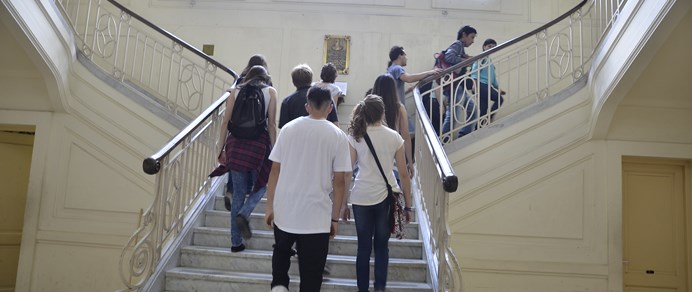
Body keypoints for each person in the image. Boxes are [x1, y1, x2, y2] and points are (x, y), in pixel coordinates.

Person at [265, 86, 351, 292]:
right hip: (317, 215)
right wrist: (334, 219)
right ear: (330, 108)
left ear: (307, 106)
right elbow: (340, 181)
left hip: (285, 208)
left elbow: (275, 170)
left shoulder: (288, 129)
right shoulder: (338, 136)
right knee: (312, 274)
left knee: (281, 253)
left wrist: (269, 206)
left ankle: (279, 287)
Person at [344, 95, 412, 292]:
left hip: (361, 196)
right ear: (383, 113)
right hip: (386, 197)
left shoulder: (356, 136)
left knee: (363, 248)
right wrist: (408, 205)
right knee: (382, 246)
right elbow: (404, 175)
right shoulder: (394, 137)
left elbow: (348, 172)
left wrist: (343, 204)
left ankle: (362, 289)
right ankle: (380, 288)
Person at [216, 65, 277, 253]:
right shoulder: (270, 92)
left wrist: (221, 149)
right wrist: (274, 150)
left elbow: (225, 121)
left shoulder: (235, 91)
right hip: (258, 146)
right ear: (265, 77)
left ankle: (236, 243)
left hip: (235, 146)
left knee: (238, 193)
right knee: (262, 185)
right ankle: (246, 211)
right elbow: (272, 124)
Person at [386, 46, 440, 135]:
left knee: (402, 134)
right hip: (399, 109)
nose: (406, 58)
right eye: (405, 55)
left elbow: (395, 91)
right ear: (400, 55)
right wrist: (430, 72)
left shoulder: (390, 69)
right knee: (411, 134)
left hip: (394, 108)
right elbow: (408, 78)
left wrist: (408, 91)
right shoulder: (397, 68)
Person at [371, 74, 414, 178]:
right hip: (391, 156)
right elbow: (406, 137)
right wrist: (410, 162)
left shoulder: (368, 106)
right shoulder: (399, 108)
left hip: (370, 154)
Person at [441, 25, 478, 138]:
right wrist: (465, 60)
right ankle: (442, 141)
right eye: (471, 37)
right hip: (454, 86)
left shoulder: (461, 48)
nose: (473, 41)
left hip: (458, 86)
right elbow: (449, 57)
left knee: (473, 110)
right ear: (464, 35)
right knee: (452, 116)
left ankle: (463, 135)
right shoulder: (457, 44)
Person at [279, 64, 338, 128]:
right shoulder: (326, 97)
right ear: (311, 79)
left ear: (293, 82)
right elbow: (335, 124)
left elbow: (284, 128)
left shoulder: (287, 101)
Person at [470, 38, 505, 124]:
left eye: (493, 47)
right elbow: (474, 71)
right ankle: (490, 118)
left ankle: (478, 128)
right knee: (499, 99)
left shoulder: (489, 61)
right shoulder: (482, 58)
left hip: (486, 86)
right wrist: (474, 85)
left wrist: (499, 89)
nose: (491, 48)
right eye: (489, 46)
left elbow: (493, 78)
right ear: (484, 46)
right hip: (481, 85)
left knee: (483, 110)